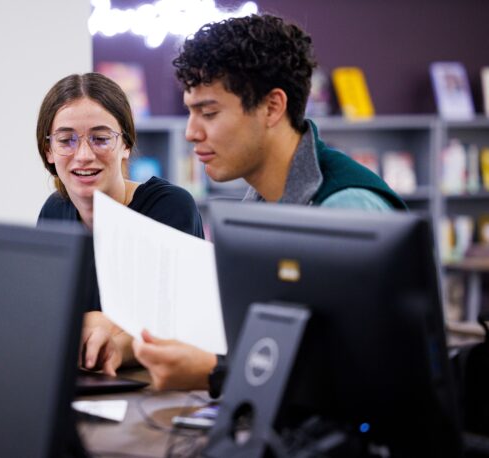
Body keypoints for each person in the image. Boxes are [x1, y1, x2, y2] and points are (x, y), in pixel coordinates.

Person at [131, 13, 407, 394]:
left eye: (209, 113)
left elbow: (358, 374)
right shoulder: (262, 200)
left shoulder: (348, 209)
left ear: (272, 107)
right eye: (191, 112)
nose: (192, 132)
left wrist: (216, 373)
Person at [36, 72, 205, 376]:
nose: (84, 155)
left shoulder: (169, 207)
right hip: (81, 380)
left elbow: (169, 325)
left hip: (151, 391)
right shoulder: (54, 212)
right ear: (48, 151)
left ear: (125, 144)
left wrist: (95, 326)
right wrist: (107, 322)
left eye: (101, 139)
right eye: (66, 141)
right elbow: (46, 317)